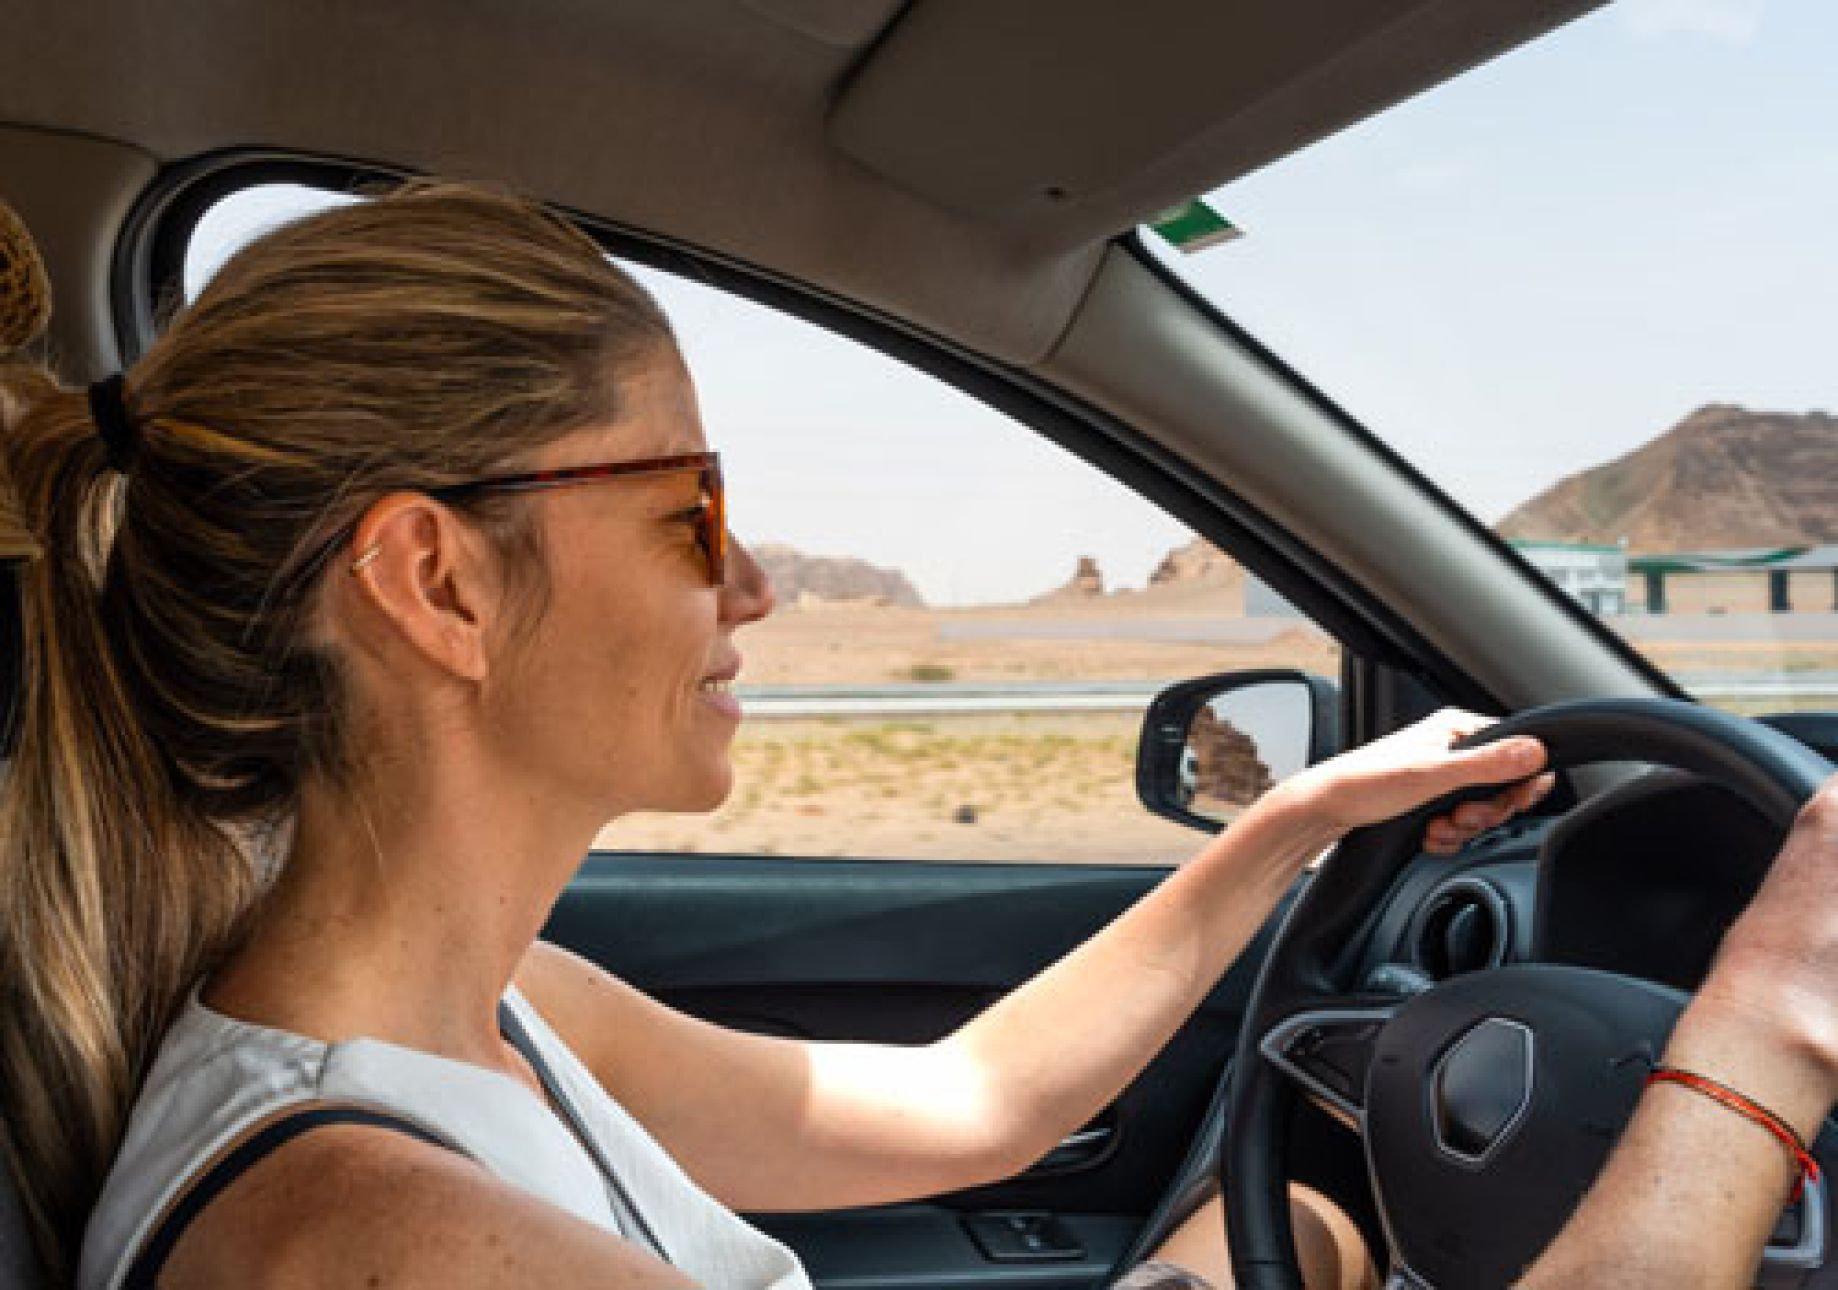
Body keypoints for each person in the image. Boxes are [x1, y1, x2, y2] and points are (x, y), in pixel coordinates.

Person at [0, 180, 1823, 1290]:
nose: (755, 587)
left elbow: (973, 1104)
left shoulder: (491, 1015)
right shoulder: (371, 1233)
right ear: (438, 584)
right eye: (690, 512)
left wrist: (1292, 821)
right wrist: (1762, 1022)